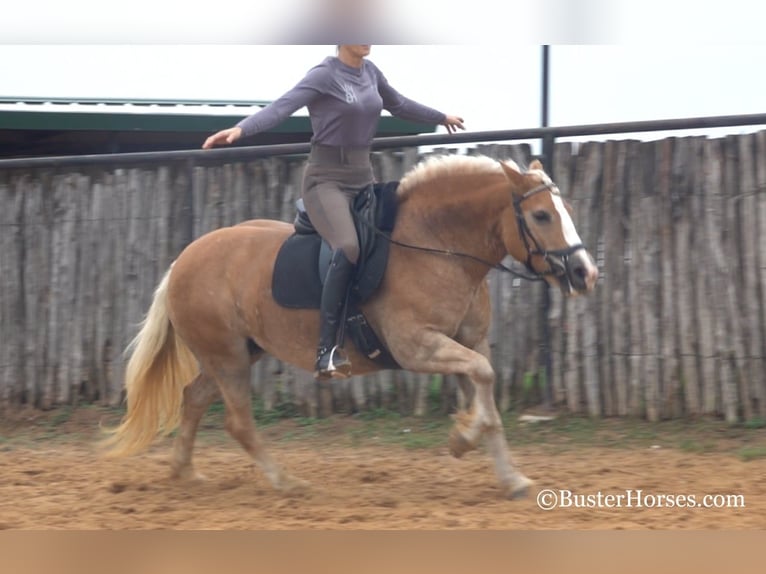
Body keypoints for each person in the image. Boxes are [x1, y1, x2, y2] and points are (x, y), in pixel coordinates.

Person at [203, 44, 465, 380]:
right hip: (325, 182)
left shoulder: (371, 73)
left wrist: (440, 117)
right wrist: (241, 129)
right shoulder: (324, 75)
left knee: (390, 238)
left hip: (362, 179)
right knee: (348, 247)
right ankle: (326, 350)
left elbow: (398, 103)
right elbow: (284, 106)